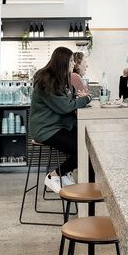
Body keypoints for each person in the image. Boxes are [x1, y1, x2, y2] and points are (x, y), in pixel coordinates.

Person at [29, 47, 91, 192]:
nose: (74, 63)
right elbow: (66, 107)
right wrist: (86, 98)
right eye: (71, 60)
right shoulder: (47, 82)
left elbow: (68, 99)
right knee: (82, 149)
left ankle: (65, 174)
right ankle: (54, 175)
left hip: (58, 126)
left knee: (88, 146)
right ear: (62, 62)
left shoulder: (61, 79)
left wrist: (77, 97)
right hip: (46, 129)